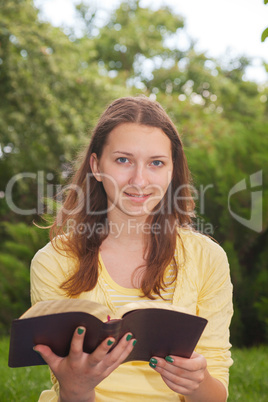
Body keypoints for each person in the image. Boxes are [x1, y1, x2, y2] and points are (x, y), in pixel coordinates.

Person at [31, 96, 233, 402]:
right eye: (123, 160)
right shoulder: (53, 261)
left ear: (171, 170)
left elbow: (216, 395)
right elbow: (67, 391)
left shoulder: (208, 259)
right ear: (97, 166)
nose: (139, 180)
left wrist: (197, 381)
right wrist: (77, 386)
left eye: (156, 163)